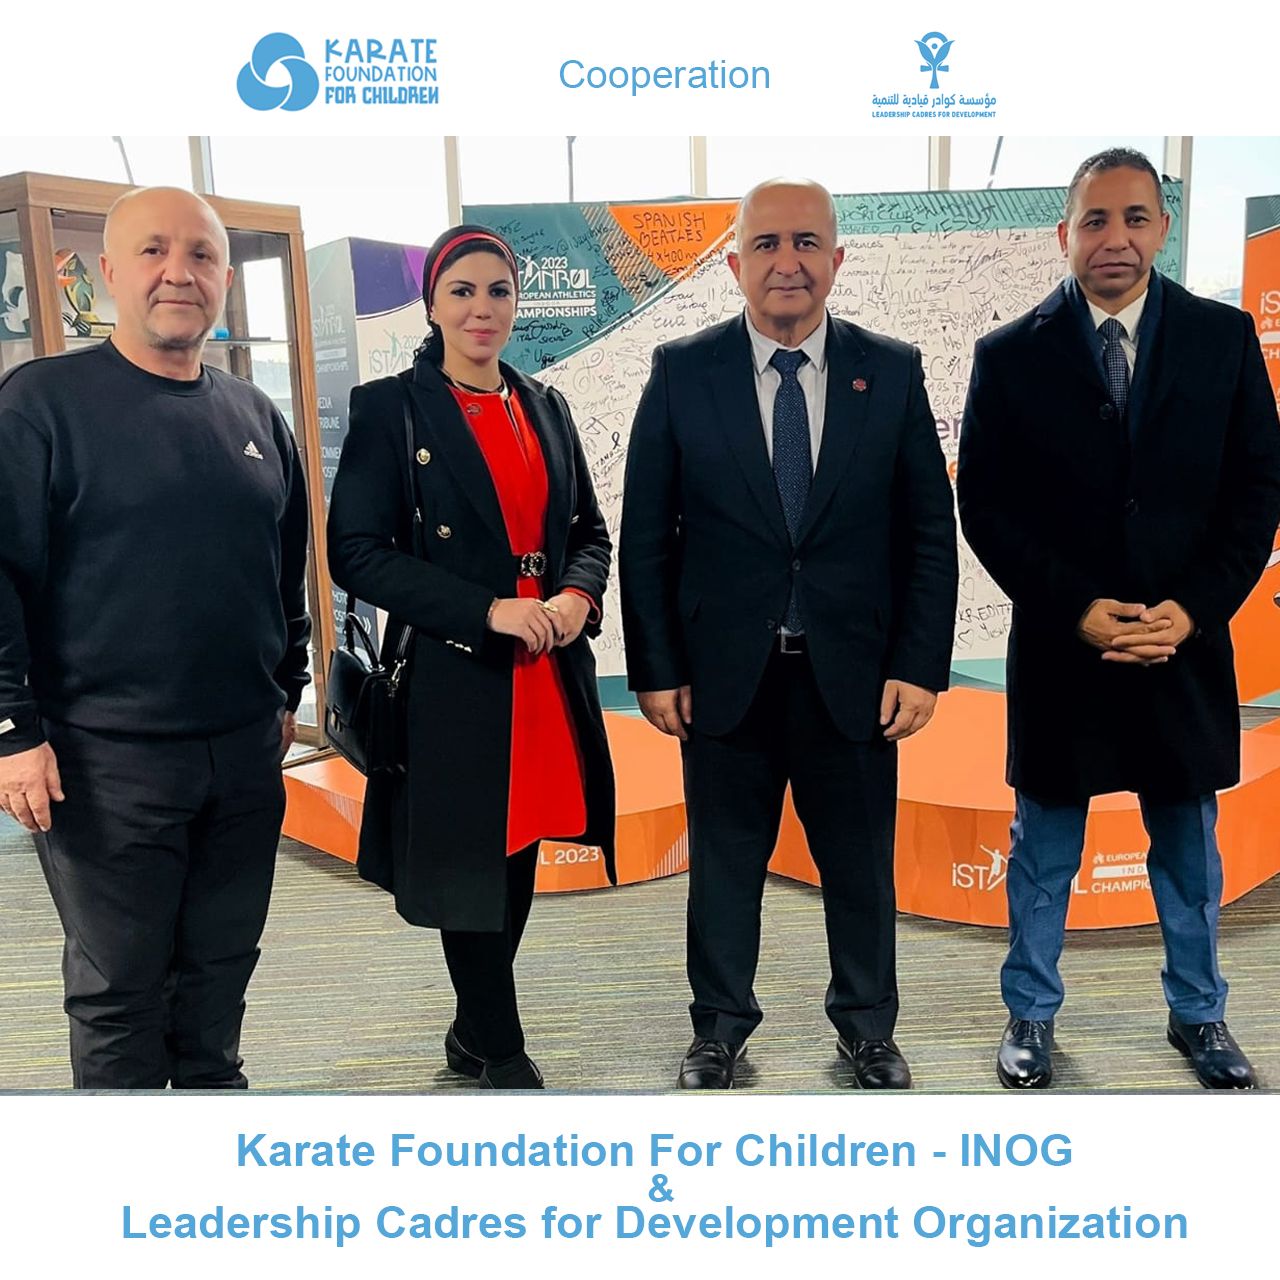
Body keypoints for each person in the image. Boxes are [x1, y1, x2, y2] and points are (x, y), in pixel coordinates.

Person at [620, 179, 958, 1089]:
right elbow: (647, 535)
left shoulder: (891, 371)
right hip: (724, 678)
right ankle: (718, 1029)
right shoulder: (681, 371)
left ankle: (868, 1029)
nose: (787, 262)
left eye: (807, 242)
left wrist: (919, 666)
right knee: (723, 869)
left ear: (836, 259)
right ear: (735, 264)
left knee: (860, 869)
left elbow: (928, 532)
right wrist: (655, 667)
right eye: (767, 244)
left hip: (855, 676)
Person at [957, 147, 1280, 1091]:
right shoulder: (1008, 354)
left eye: (1135, 218)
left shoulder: (1224, 340)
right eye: (1095, 220)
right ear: (1066, 233)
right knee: (1044, 851)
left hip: (1184, 647)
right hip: (1066, 651)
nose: (1116, 238)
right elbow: (986, 504)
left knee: (1187, 850)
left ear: (1162, 229)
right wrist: (1076, 609)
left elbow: (1257, 491)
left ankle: (1200, 1014)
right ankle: (1030, 1014)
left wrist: (1194, 610)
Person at [0, 186, 311, 1089]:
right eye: (152, 251)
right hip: (105, 764)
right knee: (121, 996)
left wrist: (286, 690)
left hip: (243, 756)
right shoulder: (41, 404)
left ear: (223, 277)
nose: (179, 272)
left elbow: (283, 568)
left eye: (201, 254)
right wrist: (13, 733)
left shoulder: (254, 415)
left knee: (219, 980)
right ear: (107, 272)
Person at [327, 224, 615, 1090]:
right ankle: (500, 1045)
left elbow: (588, 533)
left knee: (516, 850)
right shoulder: (392, 408)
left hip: (546, 672)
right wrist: (485, 611)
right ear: (432, 304)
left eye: (498, 291)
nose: (481, 308)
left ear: (517, 302)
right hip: (458, 675)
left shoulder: (545, 405)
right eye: (462, 291)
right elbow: (356, 552)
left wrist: (576, 597)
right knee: (470, 865)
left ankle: (470, 1029)